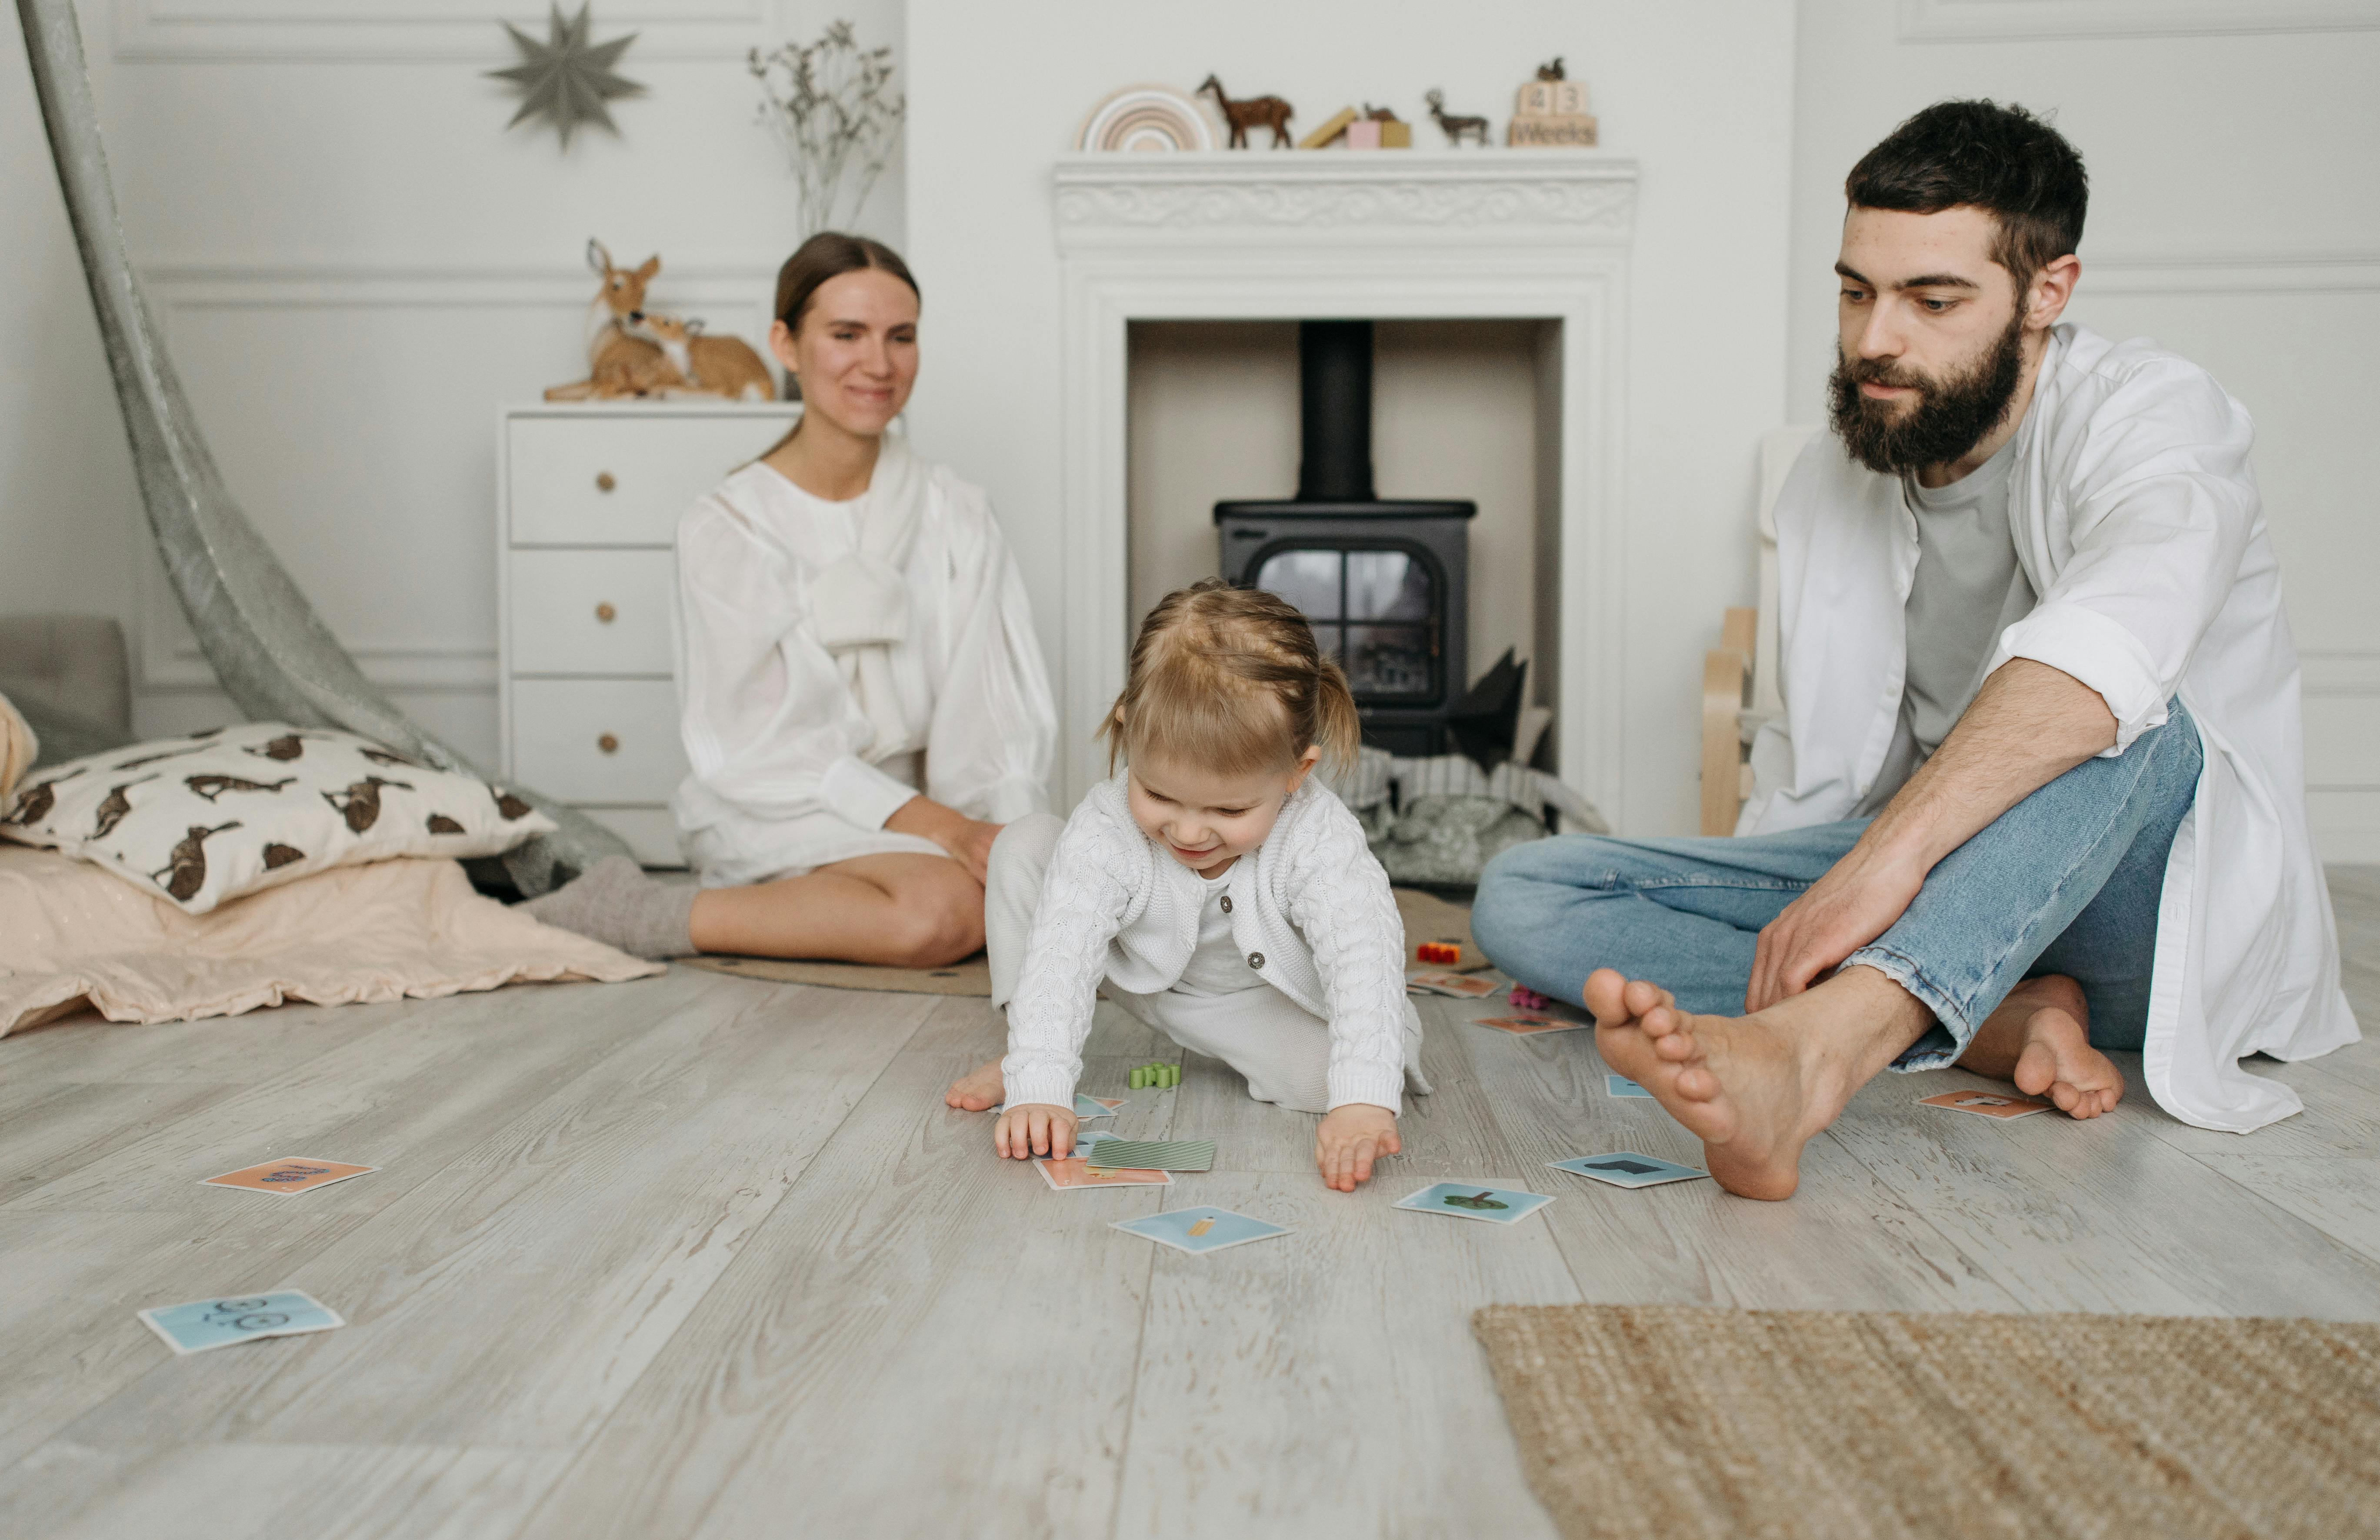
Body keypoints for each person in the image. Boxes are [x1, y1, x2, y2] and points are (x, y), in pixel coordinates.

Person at [1472, 100, 2357, 1200]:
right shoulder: (1833, 478)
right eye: (1855, 292)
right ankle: (1989, 1015)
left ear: (2048, 292)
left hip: (2140, 908)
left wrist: (1883, 862)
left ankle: (1821, 1049)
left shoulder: (2156, 418)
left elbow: (2112, 651)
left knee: (2139, 721)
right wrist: (1857, 864)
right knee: (1527, 893)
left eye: (1931, 300)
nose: (1874, 339)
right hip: (1939, 876)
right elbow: (1825, 765)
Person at [523, 233, 1057, 965]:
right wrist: (944, 833)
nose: (879, 364)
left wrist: (1007, 839)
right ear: (785, 342)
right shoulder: (727, 528)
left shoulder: (957, 513)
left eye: (900, 337)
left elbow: (991, 713)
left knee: (1046, 881)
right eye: (846, 335)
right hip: (780, 800)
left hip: (927, 817)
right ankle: (646, 909)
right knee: (940, 915)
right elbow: (760, 749)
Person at [947, 580, 1430, 1192]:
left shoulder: (1319, 836)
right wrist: (1039, 1085)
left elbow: (1362, 955)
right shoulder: (1106, 824)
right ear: (1129, 733)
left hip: (1246, 1005)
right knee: (1024, 845)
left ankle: (1364, 1070)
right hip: (1133, 969)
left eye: (1227, 812)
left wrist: (1362, 1099)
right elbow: (1064, 948)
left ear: (1296, 772)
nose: (1188, 830)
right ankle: (1025, 1050)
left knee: (1330, 1084)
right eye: (1157, 794)